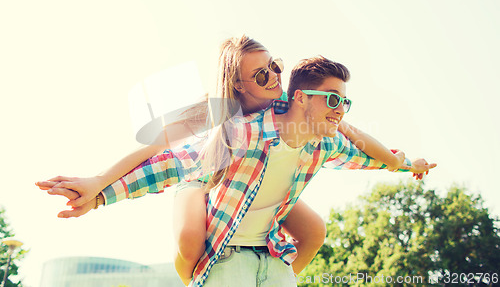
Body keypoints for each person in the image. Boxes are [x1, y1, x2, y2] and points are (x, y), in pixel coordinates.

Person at [37, 38, 430, 285]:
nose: (275, 76)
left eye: (275, 66)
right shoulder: (225, 121)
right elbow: (160, 154)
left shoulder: (311, 124)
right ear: (238, 85)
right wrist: (100, 188)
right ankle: (196, 276)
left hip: (260, 193)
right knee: (191, 238)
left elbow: (360, 146)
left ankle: (276, 272)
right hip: (204, 179)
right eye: (262, 74)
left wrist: (405, 162)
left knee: (314, 230)